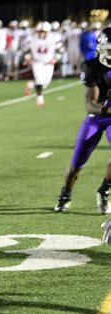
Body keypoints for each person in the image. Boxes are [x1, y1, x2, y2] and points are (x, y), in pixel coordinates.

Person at [54, 27, 111, 214]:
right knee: (76, 164)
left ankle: (104, 189)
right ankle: (65, 194)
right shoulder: (92, 67)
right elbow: (90, 105)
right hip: (96, 118)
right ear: (101, 48)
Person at [24, 22, 57, 107]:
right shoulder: (33, 39)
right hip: (37, 62)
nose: (42, 33)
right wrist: (28, 57)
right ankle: (40, 99)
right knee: (40, 81)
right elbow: (26, 50)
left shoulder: (53, 38)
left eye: (44, 31)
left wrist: (56, 58)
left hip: (49, 63)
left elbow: (60, 49)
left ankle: (30, 84)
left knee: (46, 83)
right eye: (40, 31)